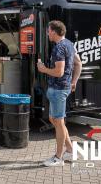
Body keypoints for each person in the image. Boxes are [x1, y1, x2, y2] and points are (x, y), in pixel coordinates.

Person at [37, 20, 82, 167]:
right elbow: (78, 63)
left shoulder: (59, 48)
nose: (47, 33)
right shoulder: (69, 44)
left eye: (48, 31)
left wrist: (43, 69)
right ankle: (70, 149)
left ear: (54, 32)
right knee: (54, 119)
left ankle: (58, 158)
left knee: (59, 121)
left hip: (58, 90)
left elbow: (59, 71)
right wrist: (74, 81)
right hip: (61, 88)